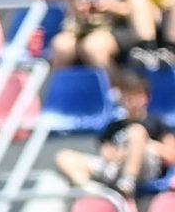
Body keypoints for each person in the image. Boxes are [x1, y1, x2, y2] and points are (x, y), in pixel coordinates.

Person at [56, 67, 173, 198]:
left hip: (144, 169)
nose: (131, 100)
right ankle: (92, 191)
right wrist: (115, 153)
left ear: (146, 97)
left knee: (136, 131)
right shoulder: (114, 125)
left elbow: (171, 155)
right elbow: (106, 151)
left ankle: (127, 184)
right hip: (115, 168)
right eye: (127, 95)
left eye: (136, 95)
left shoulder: (156, 122)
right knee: (64, 156)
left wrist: (147, 145)